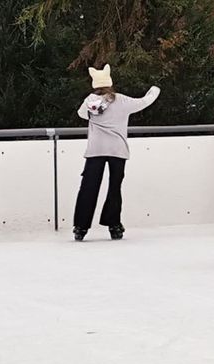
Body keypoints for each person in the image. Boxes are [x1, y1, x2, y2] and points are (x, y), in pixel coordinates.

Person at [72, 65, 159, 241]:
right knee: (114, 187)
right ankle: (114, 225)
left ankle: (81, 226)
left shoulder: (90, 101)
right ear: (110, 82)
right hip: (117, 149)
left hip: (95, 149)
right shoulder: (121, 100)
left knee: (88, 186)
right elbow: (143, 102)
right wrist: (154, 90)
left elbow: (81, 114)